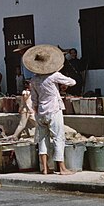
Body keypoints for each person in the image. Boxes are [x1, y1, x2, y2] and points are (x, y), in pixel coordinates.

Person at [25, 45, 75, 175]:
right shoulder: (54, 76)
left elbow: (34, 99)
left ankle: (45, 168)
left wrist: (35, 111)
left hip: (41, 111)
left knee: (42, 140)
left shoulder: (34, 79)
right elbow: (72, 82)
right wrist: (62, 83)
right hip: (53, 110)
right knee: (58, 138)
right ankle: (62, 168)